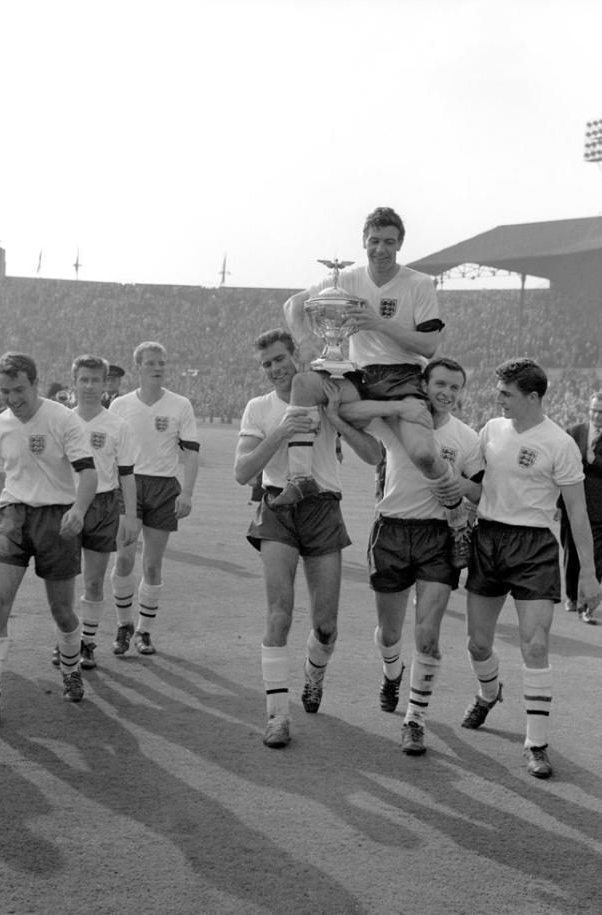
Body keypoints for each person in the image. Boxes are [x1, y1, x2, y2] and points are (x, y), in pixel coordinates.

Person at [280, 207, 469, 564]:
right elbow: (293, 304)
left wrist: (378, 323)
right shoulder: (348, 278)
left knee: (424, 455)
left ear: (400, 245)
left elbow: (429, 347)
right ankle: (300, 478)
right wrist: (304, 340)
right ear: (364, 242)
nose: (380, 249)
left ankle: (458, 516)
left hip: (402, 374)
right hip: (359, 375)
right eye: (374, 241)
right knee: (304, 384)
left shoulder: (418, 284)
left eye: (389, 242)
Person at [234, 329, 382, 748]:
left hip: (322, 506)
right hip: (278, 506)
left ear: (297, 355)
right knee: (279, 613)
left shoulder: (326, 392)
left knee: (326, 625)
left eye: (281, 359)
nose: (275, 369)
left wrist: (334, 419)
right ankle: (277, 716)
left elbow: (374, 455)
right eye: (267, 364)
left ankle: (314, 676)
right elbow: (243, 471)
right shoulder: (258, 408)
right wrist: (281, 432)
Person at [460, 358, 601, 780]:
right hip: (488, 540)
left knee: (535, 645)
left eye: (507, 393)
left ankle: (536, 743)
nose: (498, 398)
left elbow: (577, 514)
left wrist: (589, 575)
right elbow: (475, 486)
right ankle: (489, 693)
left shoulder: (559, 443)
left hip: (534, 546)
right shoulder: (491, 429)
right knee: (477, 645)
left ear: (533, 397)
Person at [0, 353, 97, 729]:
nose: (12, 398)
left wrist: (78, 512)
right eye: (4, 391)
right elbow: (2, 475)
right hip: (13, 516)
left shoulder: (62, 419)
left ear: (34, 383)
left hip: (57, 517)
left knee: (62, 611)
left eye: (19, 389)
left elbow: (87, 474)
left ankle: (70, 671)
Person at [364, 357, 482, 755]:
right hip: (393, 530)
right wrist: (394, 406)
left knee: (428, 637)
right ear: (424, 384)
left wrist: (457, 489)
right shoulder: (403, 422)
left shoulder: (468, 438)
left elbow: (480, 491)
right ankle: (391, 672)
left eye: (455, 387)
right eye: (440, 384)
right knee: (390, 633)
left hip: (437, 538)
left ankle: (415, 720)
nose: (447, 393)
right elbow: (352, 410)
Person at [108, 342, 199, 655]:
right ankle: (123, 625)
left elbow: (191, 453)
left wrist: (186, 492)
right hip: (128, 485)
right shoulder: (120, 405)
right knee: (123, 558)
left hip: (163, 488)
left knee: (153, 564)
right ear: (139, 367)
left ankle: (144, 632)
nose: (158, 367)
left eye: (162, 362)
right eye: (151, 363)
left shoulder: (180, 405)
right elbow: (110, 451)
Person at [50, 355, 141, 668]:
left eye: (95, 380)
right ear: (74, 382)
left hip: (103, 506)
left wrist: (130, 515)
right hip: (66, 504)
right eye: (83, 380)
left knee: (93, 580)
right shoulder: (60, 420)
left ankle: (87, 643)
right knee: (62, 580)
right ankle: (67, 640)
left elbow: (127, 474)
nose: (89, 386)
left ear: (105, 384)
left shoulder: (117, 425)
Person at [559, 393, 602, 624]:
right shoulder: (573, 432)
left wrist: (594, 460)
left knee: (595, 558)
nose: (596, 415)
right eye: (593, 410)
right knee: (571, 553)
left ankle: (587, 605)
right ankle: (571, 596)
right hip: (572, 505)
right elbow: (562, 471)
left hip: (601, 510)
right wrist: (560, 505)